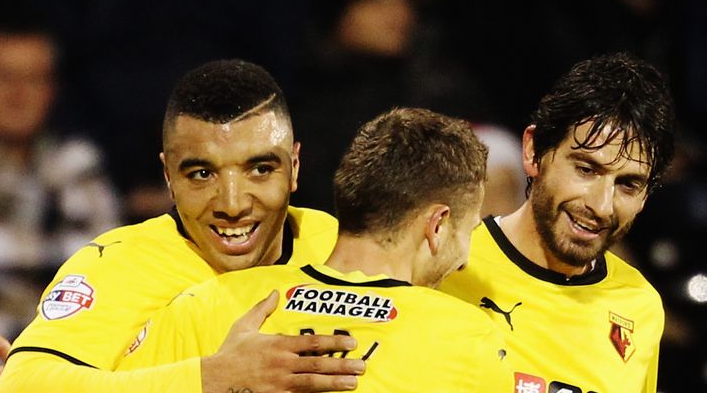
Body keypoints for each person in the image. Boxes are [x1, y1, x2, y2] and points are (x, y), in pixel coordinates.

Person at [0, 60, 363, 393]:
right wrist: (211, 379)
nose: (232, 204)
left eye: (260, 169)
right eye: (201, 174)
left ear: (294, 167)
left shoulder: (348, 248)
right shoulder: (119, 264)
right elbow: (27, 385)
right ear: (168, 177)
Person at [117, 107, 513, 392]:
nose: (464, 259)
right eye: (470, 229)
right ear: (437, 225)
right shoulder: (464, 339)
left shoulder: (211, 304)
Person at [440, 52, 676, 392]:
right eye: (586, 169)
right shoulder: (442, 262)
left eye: (628, 184)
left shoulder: (640, 306)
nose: (601, 206)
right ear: (534, 152)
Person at [0, 19, 120, 368]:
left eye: (35, 79)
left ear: (53, 90)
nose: (19, 93)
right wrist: (54, 302)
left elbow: (107, 268)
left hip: (63, 367)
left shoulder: (77, 163)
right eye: (4, 77)